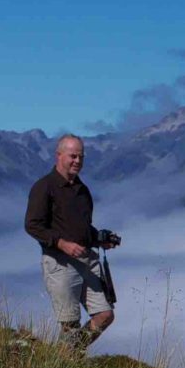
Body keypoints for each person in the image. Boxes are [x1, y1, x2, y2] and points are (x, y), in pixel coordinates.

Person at [24, 136, 120, 348]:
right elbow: (32, 225)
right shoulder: (44, 187)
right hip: (60, 263)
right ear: (59, 156)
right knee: (70, 324)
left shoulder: (81, 190)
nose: (78, 161)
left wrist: (99, 239)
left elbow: (82, 227)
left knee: (105, 315)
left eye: (81, 157)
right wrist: (61, 244)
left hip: (87, 260)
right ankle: (66, 364)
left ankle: (70, 353)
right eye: (73, 156)